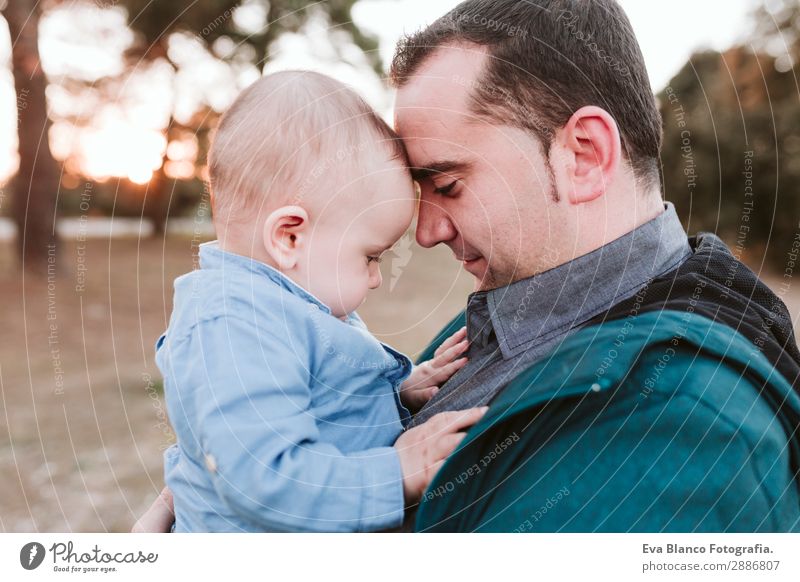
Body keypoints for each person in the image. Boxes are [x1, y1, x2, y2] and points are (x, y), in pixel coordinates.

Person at [135, 0, 800, 533]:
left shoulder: (682, 426)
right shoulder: (509, 317)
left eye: (447, 184)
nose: (424, 233)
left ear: (585, 154)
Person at [153, 70, 485, 532]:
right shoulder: (230, 325)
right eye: (370, 256)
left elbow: (312, 404)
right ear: (290, 236)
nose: (374, 280)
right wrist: (396, 473)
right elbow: (263, 476)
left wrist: (397, 391)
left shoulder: (283, 307)